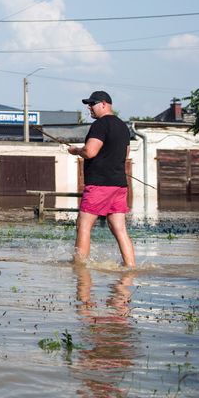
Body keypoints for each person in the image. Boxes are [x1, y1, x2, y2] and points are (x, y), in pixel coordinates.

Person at [67, 90, 136, 267]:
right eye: (88, 104)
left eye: (92, 104)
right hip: (119, 185)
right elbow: (126, 154)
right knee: (120, 229)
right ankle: (130, 267)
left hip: (99, 184)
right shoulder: (123, 126)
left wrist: (76, 151)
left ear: (104, 104)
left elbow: (90, 152)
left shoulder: (100, 124)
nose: (89, 107)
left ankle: (80, 268)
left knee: (83, 226)